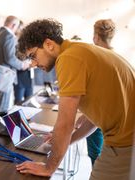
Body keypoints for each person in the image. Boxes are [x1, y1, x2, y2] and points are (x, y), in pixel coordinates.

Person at [16, 19, 135, 180]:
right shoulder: (79, 50)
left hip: (125, 142)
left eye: (33, 56)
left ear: (49, 44)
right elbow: (93, 120)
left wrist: (49, 167)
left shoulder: (68, 58)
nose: (33, 64)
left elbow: (65, 123)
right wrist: (66, 141)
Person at [82, 19, 116, 166]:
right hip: (111, 118)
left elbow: (98, 95)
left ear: (96, 37)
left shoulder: (100, 59)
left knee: (95, 155)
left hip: (99, 118)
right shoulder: (116, 57)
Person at [0, 15, 31, 114]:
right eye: (16, 26)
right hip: (3, 75)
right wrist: (22, 65)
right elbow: (10, 58)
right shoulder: (9, 36)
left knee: (0, 104)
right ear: (13, 25)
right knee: (2, 108)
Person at [14, 20, 33, 104]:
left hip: (29, 73)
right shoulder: (15, 41)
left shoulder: (28, 42)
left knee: (29, 98)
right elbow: (18, 57)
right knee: (18, 99)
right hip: (20, 72)